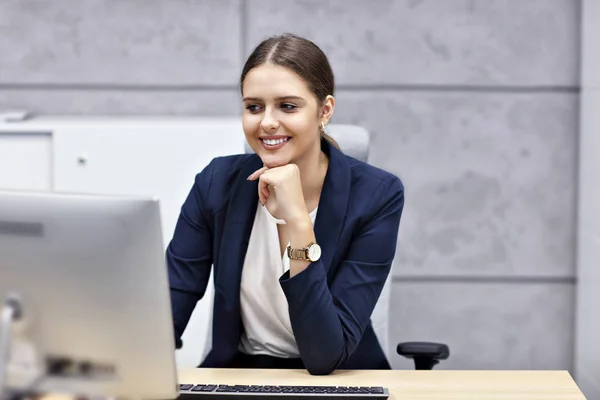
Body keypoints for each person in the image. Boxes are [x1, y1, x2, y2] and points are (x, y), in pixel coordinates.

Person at [167, 33, 404, 375]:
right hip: (240, 376)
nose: (266, 122)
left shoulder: (377, 195)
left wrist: (296, 221)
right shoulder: (217, 183)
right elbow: (169, 305)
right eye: (253, 107)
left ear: (324, 111)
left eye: (288, 106)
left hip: (338, 381)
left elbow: (324, 356)